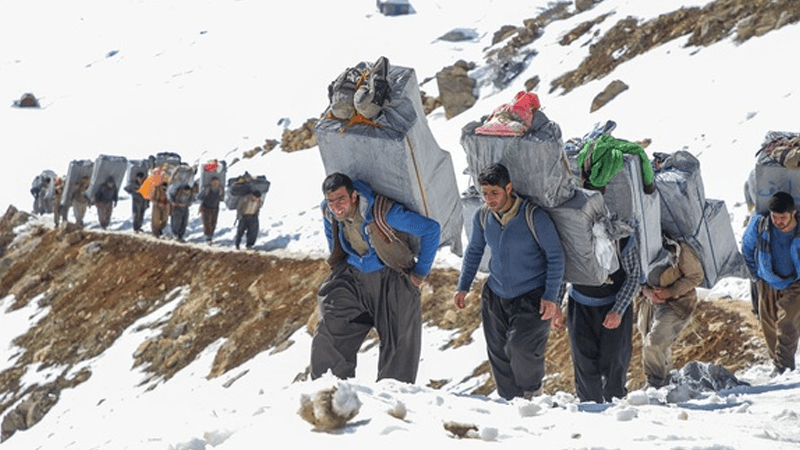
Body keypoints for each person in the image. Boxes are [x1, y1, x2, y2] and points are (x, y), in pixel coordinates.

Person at [310, 172, 440, 384]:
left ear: (353, 196)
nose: (336, 206)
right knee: (330, 330)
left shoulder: (383, 213)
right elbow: (331, 236)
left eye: (340, 199)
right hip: (352, 276)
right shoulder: (329, 212)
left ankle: (391, 402)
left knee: (399, 346)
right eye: (331, 200)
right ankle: (329, 391)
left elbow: (431, 229)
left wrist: (420, 273)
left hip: (391, 276)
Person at [453, 163, 565, 400]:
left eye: (495, 193)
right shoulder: (482, 215)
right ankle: (508, 403)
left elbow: (556, 257)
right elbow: (474, 251)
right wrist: (463, 286)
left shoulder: (534, 216)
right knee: (498, 353)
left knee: (520, 347)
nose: (489, 199)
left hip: (532, 295)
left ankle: (532, 395)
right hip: (495, 293)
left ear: (509, 188)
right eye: (484, 194)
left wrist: (551, 297)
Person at [566, 178, 643, 403]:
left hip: (614, 304)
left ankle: (617, 414)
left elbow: (634, 277)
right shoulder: (571, 234)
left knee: (614, 366)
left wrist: (618, 310)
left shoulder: (622, 235)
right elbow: (562, 270)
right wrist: (554, 302)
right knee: (583, 364)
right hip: (579, 306)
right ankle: (589, 412)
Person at [741, 191, 800, 375]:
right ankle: (778, 364)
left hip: (795, 282)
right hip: (767, 280)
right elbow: (747, 248)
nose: (778, 221)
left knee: (787, 322)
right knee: (768, 323)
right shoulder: (760, 224)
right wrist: (756, 275)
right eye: (775, 217)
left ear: (793, 213)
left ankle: (784, 367)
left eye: (783, 217)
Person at [635, 235, 704, 388]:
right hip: (649, 300)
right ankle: (666, 380)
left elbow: (695, 276)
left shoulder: (679, 249)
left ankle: (655, 383)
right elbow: (632, 275)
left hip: (677, 303)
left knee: (655, 342)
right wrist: (646, 292)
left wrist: (669, 292)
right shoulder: (638, 244)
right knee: (652, 343)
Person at [198, 177, 224, 244]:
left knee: (213, 223)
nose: (216, 184)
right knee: (206, 223)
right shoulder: (207, 188)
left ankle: (210, 236)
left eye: (217, 182)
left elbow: (222, 198)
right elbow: (200, 197)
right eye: (214, 182)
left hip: (215, 208)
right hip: (206, 207)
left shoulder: (220, 189)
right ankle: (207, 237)